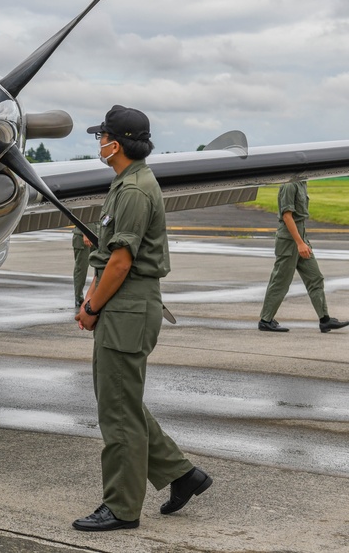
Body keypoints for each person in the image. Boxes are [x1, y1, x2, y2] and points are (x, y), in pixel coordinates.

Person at [73, 105, 212, 532]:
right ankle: (183, 474)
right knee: (122, 402)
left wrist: (93, 305)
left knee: (117, 412)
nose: (98, 142)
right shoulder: (127, 183)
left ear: (117, 142)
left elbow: (120, 261)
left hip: (126, 306)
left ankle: (121, 508)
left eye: (102, 136)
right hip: (127, 304)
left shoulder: (133, 189)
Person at [258, 181, 349, 333]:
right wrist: (299, 243)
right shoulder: (289, 185)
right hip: (289, 240)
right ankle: (266, 320)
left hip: (300, 236)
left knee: (315, 278)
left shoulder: (302, 182)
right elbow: (287, 217)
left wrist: (302, 241)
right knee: (281, 281)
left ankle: (325, 320)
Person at [73, 223, 99, 309]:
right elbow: (81, 214)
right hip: (82, 237)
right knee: (81, 268)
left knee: (100, 267)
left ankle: (98, 295)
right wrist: (85, 233)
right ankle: (79, 298)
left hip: (98, 234)